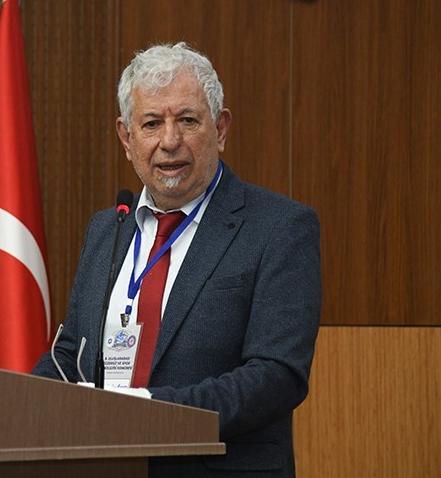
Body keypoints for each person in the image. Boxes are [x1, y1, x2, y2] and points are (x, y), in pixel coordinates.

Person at [32, 42, 321, 477]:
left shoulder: (279, 227)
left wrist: (150, 413)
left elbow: (277, 376)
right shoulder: (108, 228)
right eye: (152, 123)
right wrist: (19, 404)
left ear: (220, 129)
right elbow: (72, 352)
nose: (170, 142)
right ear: (126, 138)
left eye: (187, 120)